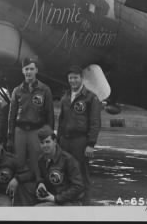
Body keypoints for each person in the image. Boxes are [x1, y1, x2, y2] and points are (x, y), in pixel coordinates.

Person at [57, 65, 101, 205]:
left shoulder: (91, 97)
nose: (73, 81)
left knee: (82, 173)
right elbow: (61, 121)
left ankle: (86, 204)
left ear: (81, 78)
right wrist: (58, 141)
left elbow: (95, 123)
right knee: (65, 171)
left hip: (80, 141)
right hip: (65, 141)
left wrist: (90, 144)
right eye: (70, 78)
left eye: (75, 78)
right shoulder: (65, 97)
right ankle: (68, 202)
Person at [7, 58, 54, 175]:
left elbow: (50, 113)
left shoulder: (45, 89)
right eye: (26, 69)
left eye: (31, 69)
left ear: (36, 70)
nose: (29, 72)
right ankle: (19, 188)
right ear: (23, 71)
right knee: (18, 162)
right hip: (20, 131)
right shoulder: (17, 90)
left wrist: (50, 135)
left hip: (36, 131)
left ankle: (36, 187)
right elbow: (11, 115)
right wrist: (10, 137)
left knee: (36, 162)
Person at [35, 125, 85, 206]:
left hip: (71, 202)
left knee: (37, 210)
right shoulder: (41, 159)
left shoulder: (68, 160)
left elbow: (78, 186)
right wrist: (40, 183)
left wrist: (56, 198)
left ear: (55, 141)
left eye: (48, 142)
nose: (45, 145)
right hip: (53, 199)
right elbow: (39, 175)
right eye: (42, 143)